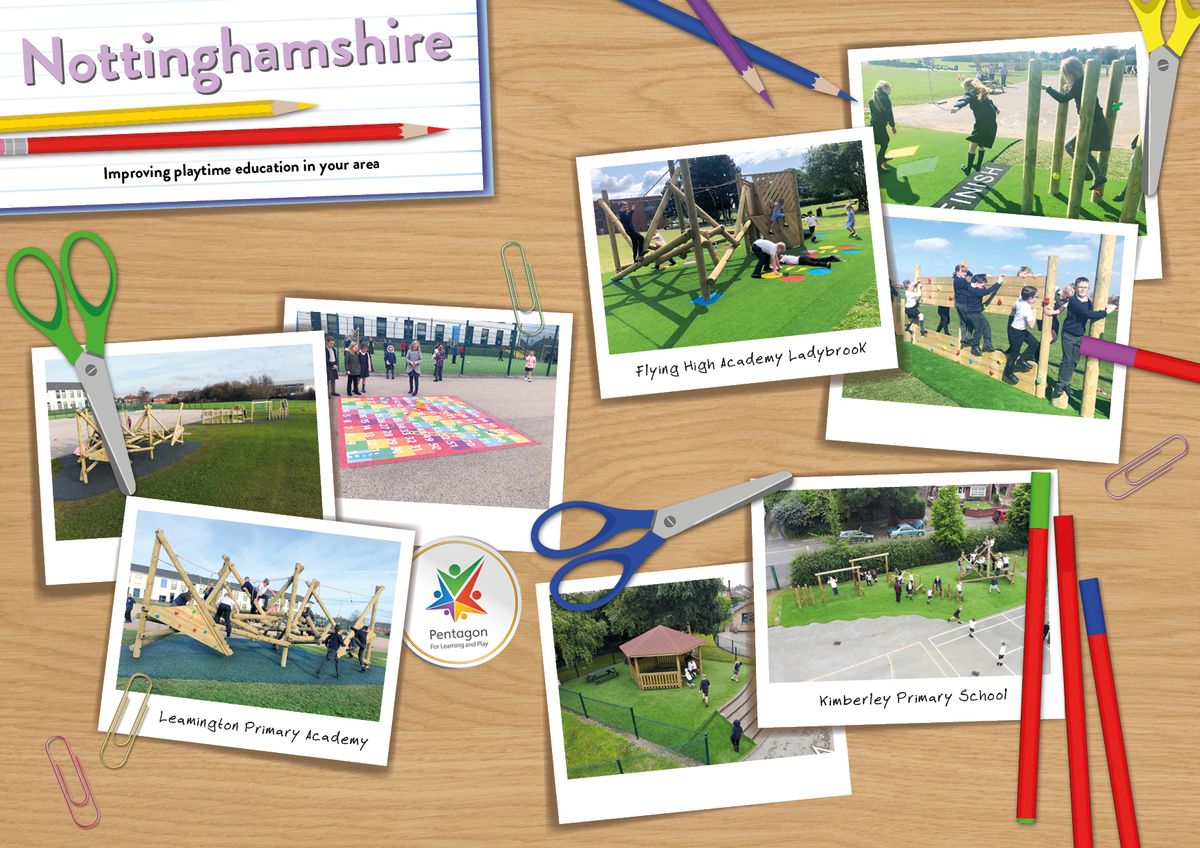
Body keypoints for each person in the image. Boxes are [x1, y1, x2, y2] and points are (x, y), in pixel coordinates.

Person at [1045, 57, 1113, 194]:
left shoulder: (1078, 84)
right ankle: (1091, 173)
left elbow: (1063, 99)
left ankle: (1093, 174)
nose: (1066, 77)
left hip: (1093, 124)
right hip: (1093, 122)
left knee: (1073, 146)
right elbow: (1072, 93)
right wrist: (1068, 87)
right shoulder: (1083, 81)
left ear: (1072, 72)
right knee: (1076, 147)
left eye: (1066, 74)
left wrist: (1048, 89)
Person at [1050, 276, 1117, 400]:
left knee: (1075, 361)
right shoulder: (1074, 301)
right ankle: (1060, 385)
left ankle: (1066, 382)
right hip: (1068, 334)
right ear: (1075, 288)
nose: (1083, 289)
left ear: (1088, 288)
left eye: (1085, 287)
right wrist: (1106, 312)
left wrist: (1104, 306)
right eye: (1080, 287)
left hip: (1080, 335)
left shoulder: (1088, 302)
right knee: (1067, 360)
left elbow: (1093, 310)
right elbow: (1087, 314)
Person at [950, 78, 999, 175]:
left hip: (982, 124)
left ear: (968, 87)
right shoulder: (981, 92)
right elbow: (990, 103)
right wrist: (996, 109)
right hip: (991, 123)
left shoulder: (971, 93)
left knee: (972, 146)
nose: (964, 90)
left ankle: (968, 169)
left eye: (964, 88)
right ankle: (977, 166)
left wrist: (957, 107)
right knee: (981, 143)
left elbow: (964, 99)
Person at [1002, 285, 1043, 385]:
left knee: (1034, 343)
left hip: (1019, 329)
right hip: (1016, 332)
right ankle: (1007, 373)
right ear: (1030, 298)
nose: (1037, 299)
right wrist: (1034, 313)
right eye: (1036, 297)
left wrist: (1018, 301)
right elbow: (1031, 326)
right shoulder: (1027, 309)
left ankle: (1022, 360)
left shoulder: (1020, 299)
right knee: (1014, 353)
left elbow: (1012, 307)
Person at [957, 273, 1001, 355]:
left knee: (986, 324)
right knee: (979, 329)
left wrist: (985, 275)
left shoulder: (970, 286)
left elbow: (974, 277)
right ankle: (975, 347)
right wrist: (998, 283)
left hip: (973, 313)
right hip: (974, 314)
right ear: (977, 283)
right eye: (982, 285)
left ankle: (987, 345)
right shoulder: (976, 291)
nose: (983, 286)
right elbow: (988, 291)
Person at [869, 80, 897, 169]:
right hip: (879, 126)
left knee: (883, 141)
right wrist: (893, 126)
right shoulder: (886, 99)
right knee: (885, 142)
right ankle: (878, 166)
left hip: (873, 124)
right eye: (889, 89)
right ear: (884, 89)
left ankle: (882, 158)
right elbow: (889, 114)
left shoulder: (871, 99)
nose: (890, 91)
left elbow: (873, 114)